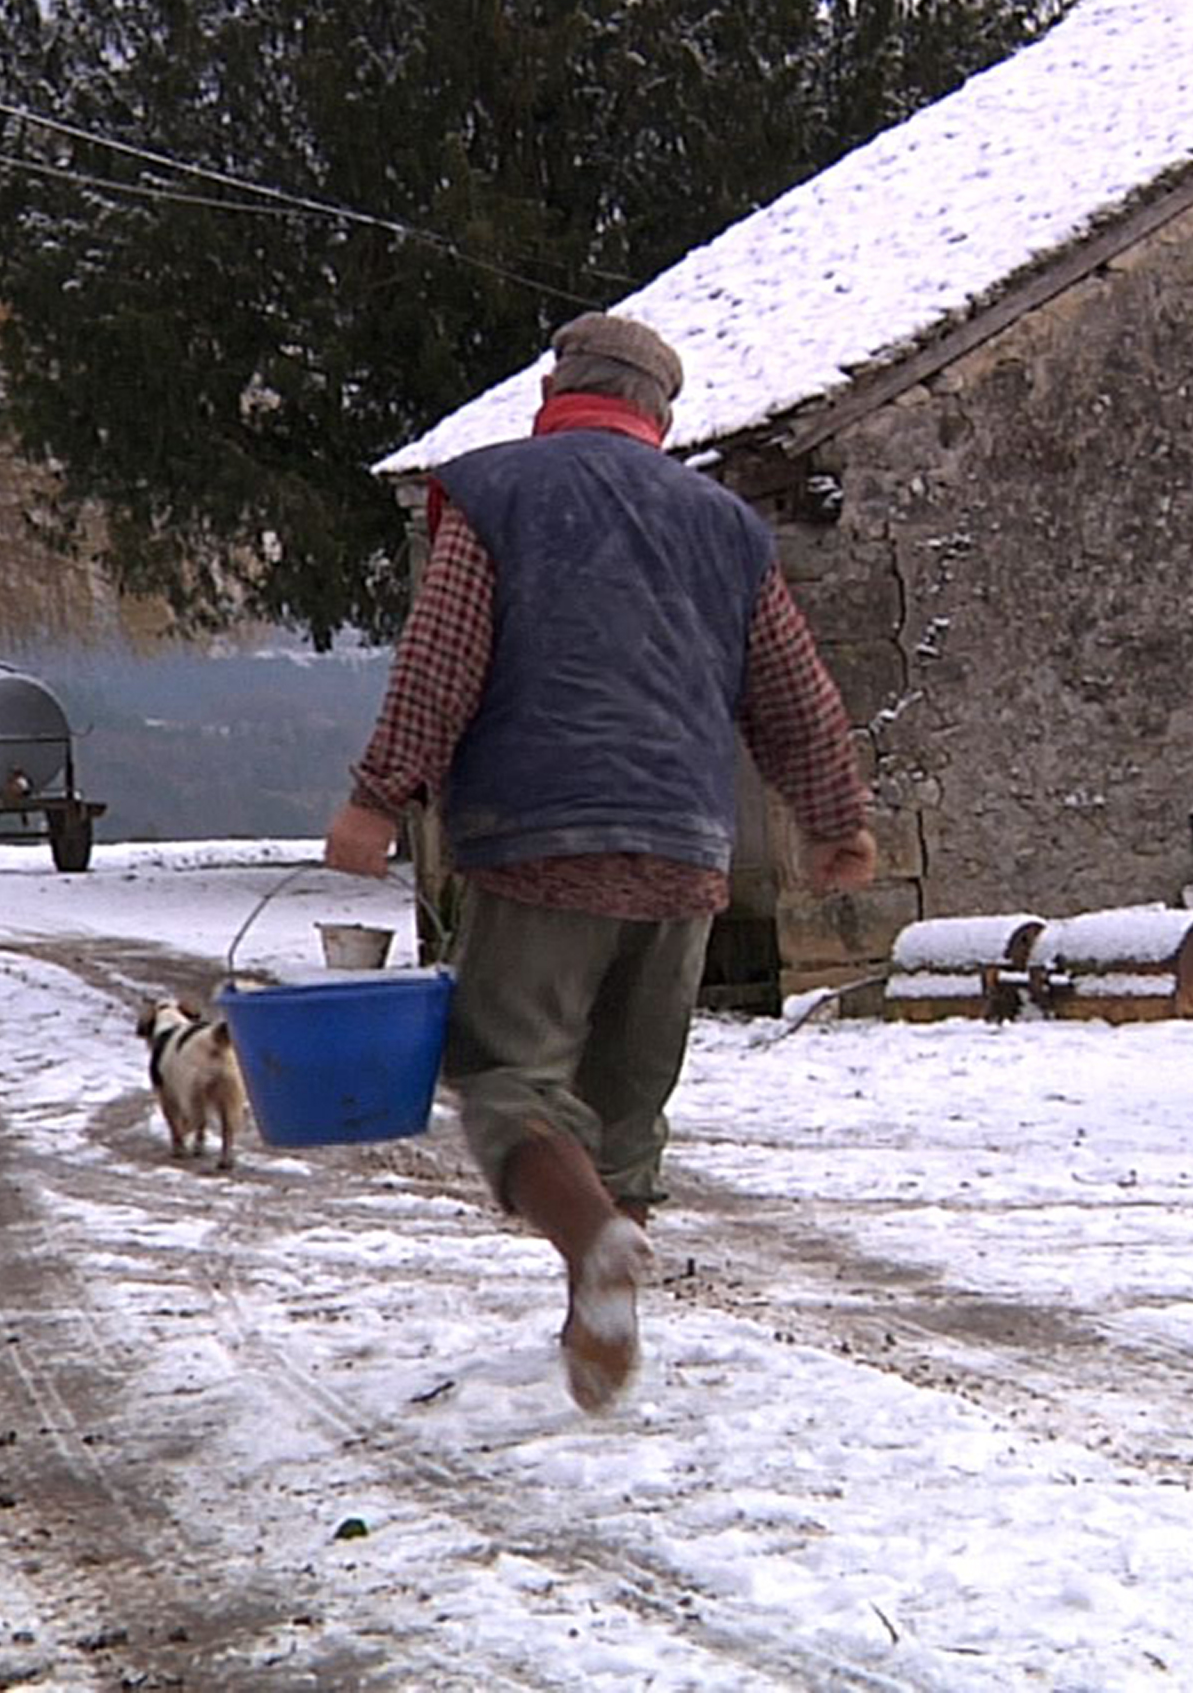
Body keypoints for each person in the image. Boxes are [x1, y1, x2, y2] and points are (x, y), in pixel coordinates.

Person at [325, 312, 876, 1413]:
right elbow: (793, 687)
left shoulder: (497, 493)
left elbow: (442, 658)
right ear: (660, 414)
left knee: (508, 1077)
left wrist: (379, 795)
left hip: (541, 841)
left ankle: (592, 1243)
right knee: (626, 1107)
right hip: (684, 853)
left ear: (556, 391)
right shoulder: (726, 526)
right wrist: (835, 819)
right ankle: (599, 1308)